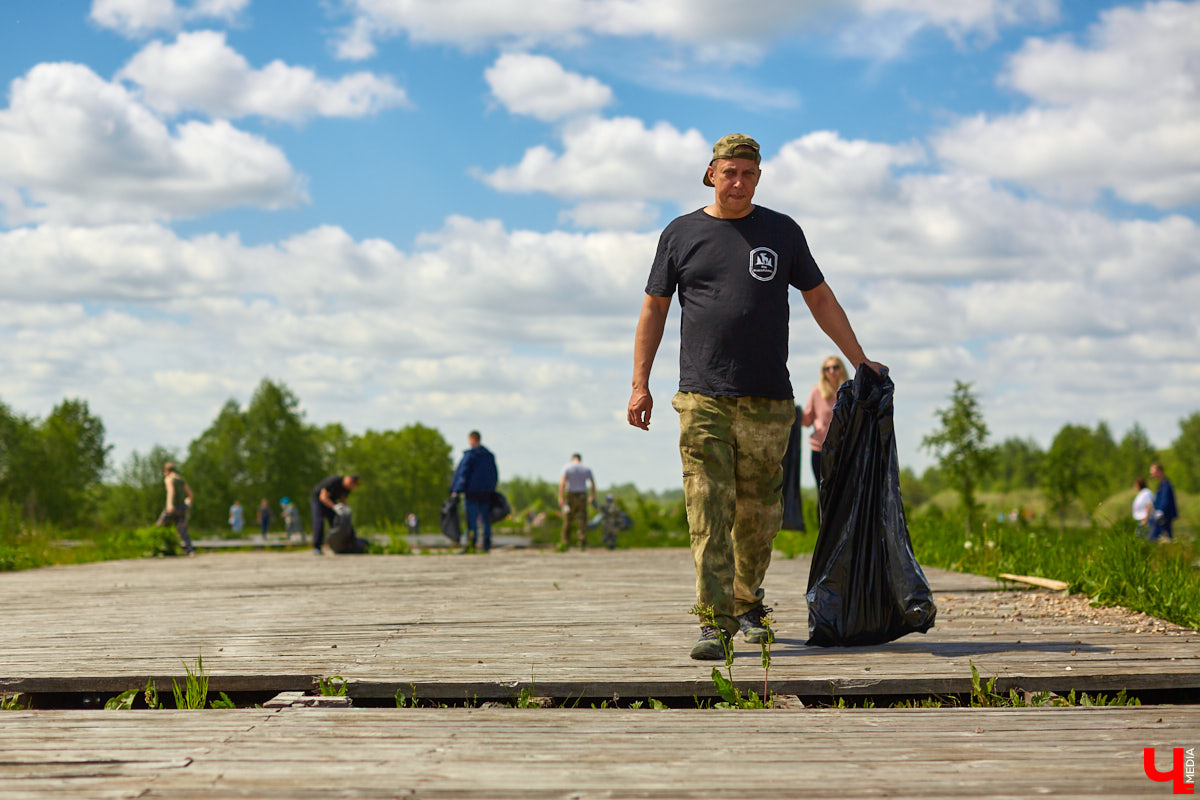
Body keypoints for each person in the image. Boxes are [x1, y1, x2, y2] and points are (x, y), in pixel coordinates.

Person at [626, 133, 885, 660]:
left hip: (769, 400)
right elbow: (653, 309)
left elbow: (819, 296)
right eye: (729, 172)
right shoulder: (681, 234)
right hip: (703, 396)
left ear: (758, 178)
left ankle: (747, 604)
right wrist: (639, 384)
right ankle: (713, 622)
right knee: (707, 507)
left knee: (759, 513)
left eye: (748, 173)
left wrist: (859, 359)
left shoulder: (782, 232)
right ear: (711, 174)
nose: (738, 182)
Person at [801, 356, 848, 490]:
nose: (831, 371)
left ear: (842, 369)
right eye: (827, 368)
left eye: (835, 367)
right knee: (822, 491)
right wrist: (794, 412)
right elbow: (807, 420)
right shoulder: (817, 391)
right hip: (820, 450)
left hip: (842, 450)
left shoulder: (848, 392)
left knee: (842, 492)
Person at [450, 431, 499, 553]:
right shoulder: (489, 456)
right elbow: (494, 474)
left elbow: (463, 474)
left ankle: (472, 543)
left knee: (472, 520)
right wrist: (491, 489)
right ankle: (486, 544)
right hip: (486, 494)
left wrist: (456, 490)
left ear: (472, 439)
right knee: (486, 520)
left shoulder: (470, 456)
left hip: (472, 494)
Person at [311, 474, 361, 555]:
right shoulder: (333, 481)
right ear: (348, 479)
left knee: (338, 522)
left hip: (331, 503)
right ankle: (317, 547)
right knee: (319, 522)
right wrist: (334, 507)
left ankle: (342, 545)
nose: (351, 488)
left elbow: (343, 499)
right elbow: (323, 497)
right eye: (352, 485)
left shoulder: (347, 488)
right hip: (319, 501)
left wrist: (345, 509)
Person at [558, 453, 596, 551]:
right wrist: (592, 496)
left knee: (568, 519)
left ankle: (565, 542)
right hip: (582, 495)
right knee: (582, 519)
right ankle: (582, 542)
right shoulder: (586, 468)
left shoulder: (567, 467)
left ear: (572, 459)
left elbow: (562, 483)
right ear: (580, 459)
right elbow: (592, 483)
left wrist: (560, 497)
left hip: (570, 495)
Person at [156, 462, 195, 556]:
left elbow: (171, 491)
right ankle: (190, 550)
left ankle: (158, 547)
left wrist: (169, 504)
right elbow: (190, 494)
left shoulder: (169, 478)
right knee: (182, 530)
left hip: (173, 507)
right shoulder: (181, 479)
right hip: (182, 508)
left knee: (160, 527)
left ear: (166, 470)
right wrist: (188, 501)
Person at [1149, 462, 1178, 542]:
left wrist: (1160, 511)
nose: (1151, 474)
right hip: (1161, 515)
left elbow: (1165, 501)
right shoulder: (1161, 484)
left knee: (1157, 538)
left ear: (1159, 471)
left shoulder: (1166, 485)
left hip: (1164, 516)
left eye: (1153, 472)